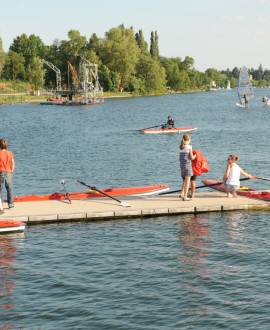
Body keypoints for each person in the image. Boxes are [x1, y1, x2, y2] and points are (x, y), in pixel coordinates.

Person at [179, 134, 196, 201]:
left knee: (184, 181)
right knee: (187, 182)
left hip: (182, 165)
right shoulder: (189, 147)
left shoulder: (180, 147)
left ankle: (183, 194)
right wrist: (195, 155)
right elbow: (192, 158)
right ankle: (185, 197)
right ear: (188, 139)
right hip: (188, 165)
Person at [0, 139, 15, 211]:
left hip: (1, 172)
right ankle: (11, 204)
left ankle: (1, 205)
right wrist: (12, 171)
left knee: (0, 189)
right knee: (9, 188)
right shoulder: (10, 153)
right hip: (9, 172)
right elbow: (13, 163)